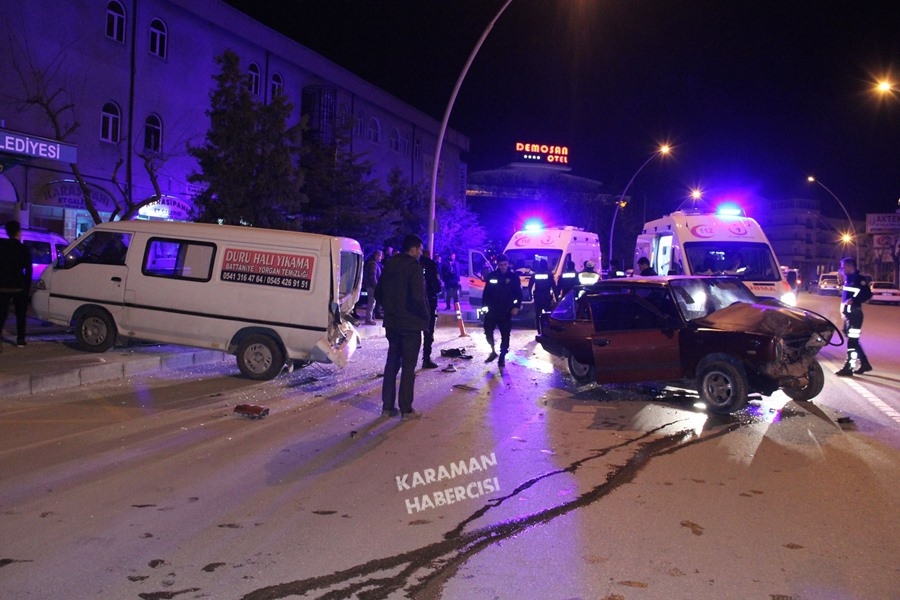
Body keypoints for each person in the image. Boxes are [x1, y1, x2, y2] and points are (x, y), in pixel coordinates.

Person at [375, 235, 430, 419]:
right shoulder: (414, 268)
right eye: (420, 250)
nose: (421, 253)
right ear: (413, 249)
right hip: (410, 326)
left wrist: (390, 309)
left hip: (392, 323)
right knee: (408, 367)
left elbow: (378, 293)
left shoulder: (389, 265)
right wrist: (424, 317)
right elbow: (418, 298)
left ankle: (387, 407)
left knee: (392, 364)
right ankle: (406, 409)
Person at [482, 253, 522, 368]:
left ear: (508, 264)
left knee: (505, 335)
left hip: (506, 310)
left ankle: (502, 356)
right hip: (492, 309)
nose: (503, 267)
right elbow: (486, 293)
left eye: (505, 264)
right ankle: (493, 351)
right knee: (488, 331)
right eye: (501, 265)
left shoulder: (513, 277)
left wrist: (516, 306)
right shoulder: (492, 276)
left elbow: (518, 294)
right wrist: (484, 306)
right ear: (498, 265)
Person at [835, 257, 873, 376]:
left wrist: (855, 300)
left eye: (844, 266)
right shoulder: (848, 279)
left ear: (851, 266)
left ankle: (849, 367)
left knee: (852, 342)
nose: (842, 269)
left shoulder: (858, 279)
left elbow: (868, 294)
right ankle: (865, 363)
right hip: (849, 315)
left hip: (855, 314)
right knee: (853, 341)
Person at [0, 221, 33, 349]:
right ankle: (20, 339)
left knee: (2, 312)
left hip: (2, 285)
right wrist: (27, 286)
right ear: (18, 232)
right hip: (18, 285)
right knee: (20, 313)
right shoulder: (23, 248)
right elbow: (28, 269)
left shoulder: (2, 246)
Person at [420, 248, 441, 369]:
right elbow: (436, 286)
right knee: (428, 332)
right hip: (429, 301)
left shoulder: (413, 264)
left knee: (412, 334)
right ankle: (426, 359)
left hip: (413, 304)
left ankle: (406, 362)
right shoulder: (432, 265)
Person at [527, 258, 555, 334]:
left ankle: (539, 330)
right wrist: (556, 296)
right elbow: (554, 286)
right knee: (548, 313)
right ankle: (547, 329)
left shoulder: (535, 274)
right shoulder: (549, 274)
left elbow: (530, 286)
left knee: (537, 314)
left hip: (538, 296)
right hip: (547, 296)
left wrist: (530, 295)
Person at [362, 249, 383, 325]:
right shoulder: (373, 264)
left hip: (371, 285)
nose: (381, 257)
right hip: (371, 286)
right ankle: (368, 319)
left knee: (372, 301)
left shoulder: (374, 264)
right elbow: (373, 276)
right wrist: (376, 286)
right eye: (380, 255)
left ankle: (370, 317)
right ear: (376, 255)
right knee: (372, 301)